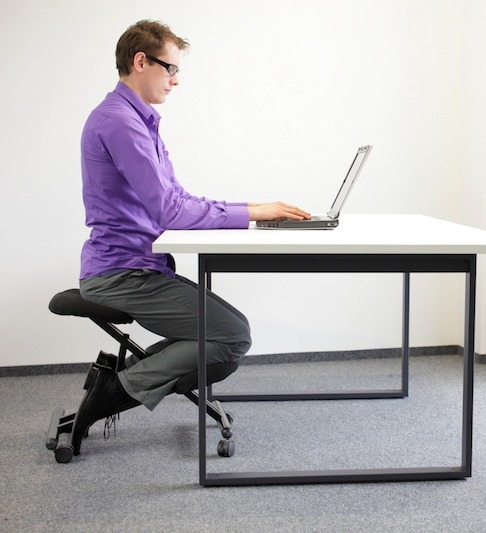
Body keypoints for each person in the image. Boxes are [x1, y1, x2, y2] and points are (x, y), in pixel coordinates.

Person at [72, 20, 310, 451]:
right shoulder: (121, 123)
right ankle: (111, 394)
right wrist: (254, 211)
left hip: (139, 267)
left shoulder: (137, 121)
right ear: (140, 61)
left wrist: (249, 210)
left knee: (225, 332)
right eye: (170, 68)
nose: (176, 79)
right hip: (123, 273)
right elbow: (170, 210)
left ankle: (116, 382)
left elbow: (176, 197)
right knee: (232, 335)